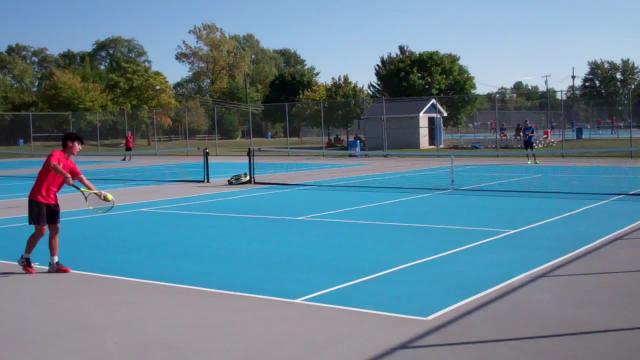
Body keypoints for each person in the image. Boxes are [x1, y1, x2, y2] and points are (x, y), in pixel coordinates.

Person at [17, 132, 102, 274]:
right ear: (70, 144)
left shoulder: (71, 163)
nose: (80, 148)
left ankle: (54, 263)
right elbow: (52, 165)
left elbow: (83, 179)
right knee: (40, 231)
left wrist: (98, 193)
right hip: (38, 197)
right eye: (79, 145)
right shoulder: (56, 154)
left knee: (55, 230)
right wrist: (66, 175)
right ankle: (25, 258)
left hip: (52, 199)